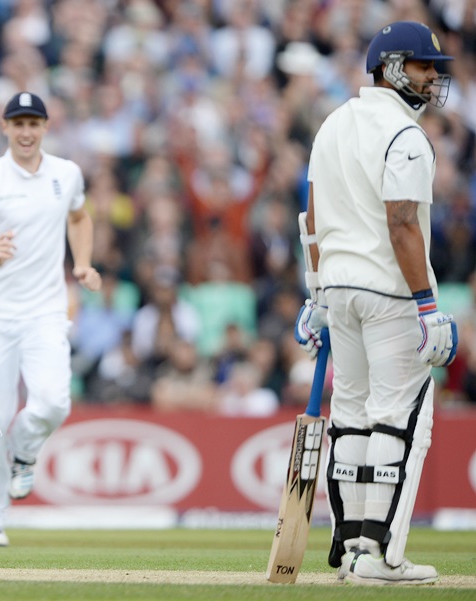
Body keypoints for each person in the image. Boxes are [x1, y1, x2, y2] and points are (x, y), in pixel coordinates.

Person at [294, 22, 458, 585]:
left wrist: (315, 294)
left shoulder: (332, 125)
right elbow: (403, 221)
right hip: (390, 291)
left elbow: (311, 222)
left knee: (354, 417)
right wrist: (428, 306)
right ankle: (381, 555)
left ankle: (352, 547)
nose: (433, 76)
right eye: (423, 66)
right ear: (391, 68)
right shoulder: (405, 135)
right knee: (401, 420)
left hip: (337, 289)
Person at [0, 91, 101, 547]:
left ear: (46, 127)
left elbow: (79, 218)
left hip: (46, 310)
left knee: (54, 402)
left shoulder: (66, 174)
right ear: (5, 128)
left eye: (34, 123)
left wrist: (82, 263)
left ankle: (26, 447)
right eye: (18, 124)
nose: (27, 132)